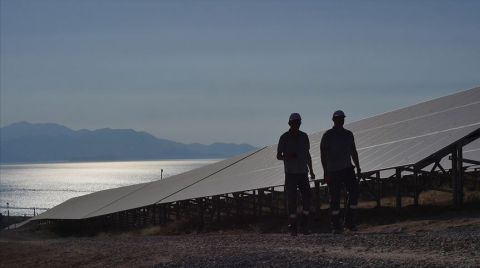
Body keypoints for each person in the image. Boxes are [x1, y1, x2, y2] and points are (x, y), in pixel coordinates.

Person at [320, 110, 361, 234]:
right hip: (333, 170)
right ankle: (336, 225)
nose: (340, 120)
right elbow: (323, 155)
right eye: (338, 118)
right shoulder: (328, 135)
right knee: (335, 198)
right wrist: (325, 171)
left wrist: (358, 167)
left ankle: (349, 222)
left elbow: (353, 151)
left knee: (354, 192)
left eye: (342, 118)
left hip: (348, 168)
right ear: (333, 120)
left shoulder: (348, 134)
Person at [277, 113, 315, 236]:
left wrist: (312, 170)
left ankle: (304, 225)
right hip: (291, 174)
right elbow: (278, 156)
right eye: (294, 123)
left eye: (298, 123)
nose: (296, 125)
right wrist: (288, 156)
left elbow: (307, 154)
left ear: (300, 123)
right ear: (290, 124)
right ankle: (293, 226)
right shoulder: (284, 137)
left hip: (303, 173)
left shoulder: (304, 137)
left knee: (307, 198)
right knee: (292, 200)